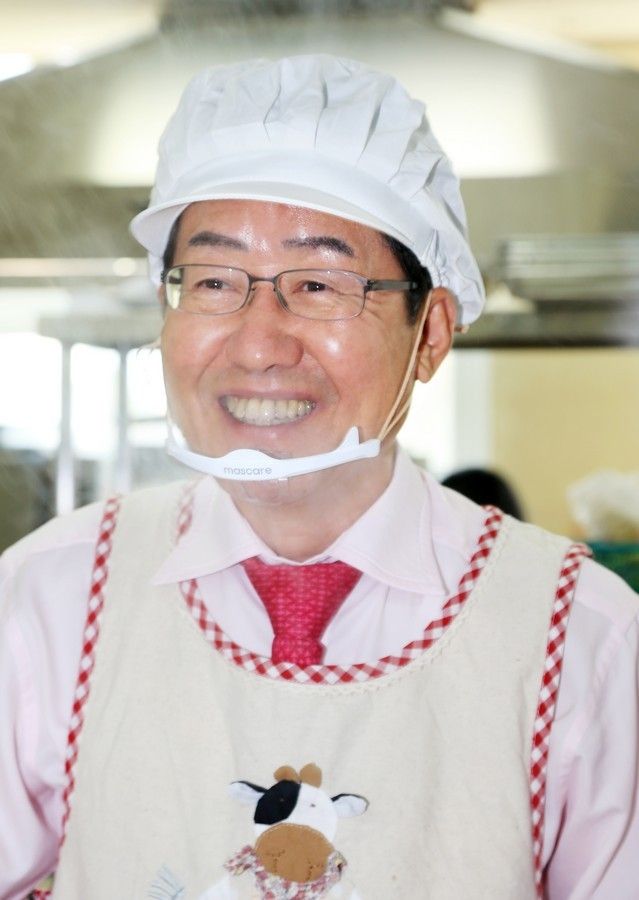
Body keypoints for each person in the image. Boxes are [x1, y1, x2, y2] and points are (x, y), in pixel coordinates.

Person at [0, 55, 637, 900]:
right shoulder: (50, 598)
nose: (259, 344)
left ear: (430, 333)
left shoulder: (584, 637)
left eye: (319, 284)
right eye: (214, 282)